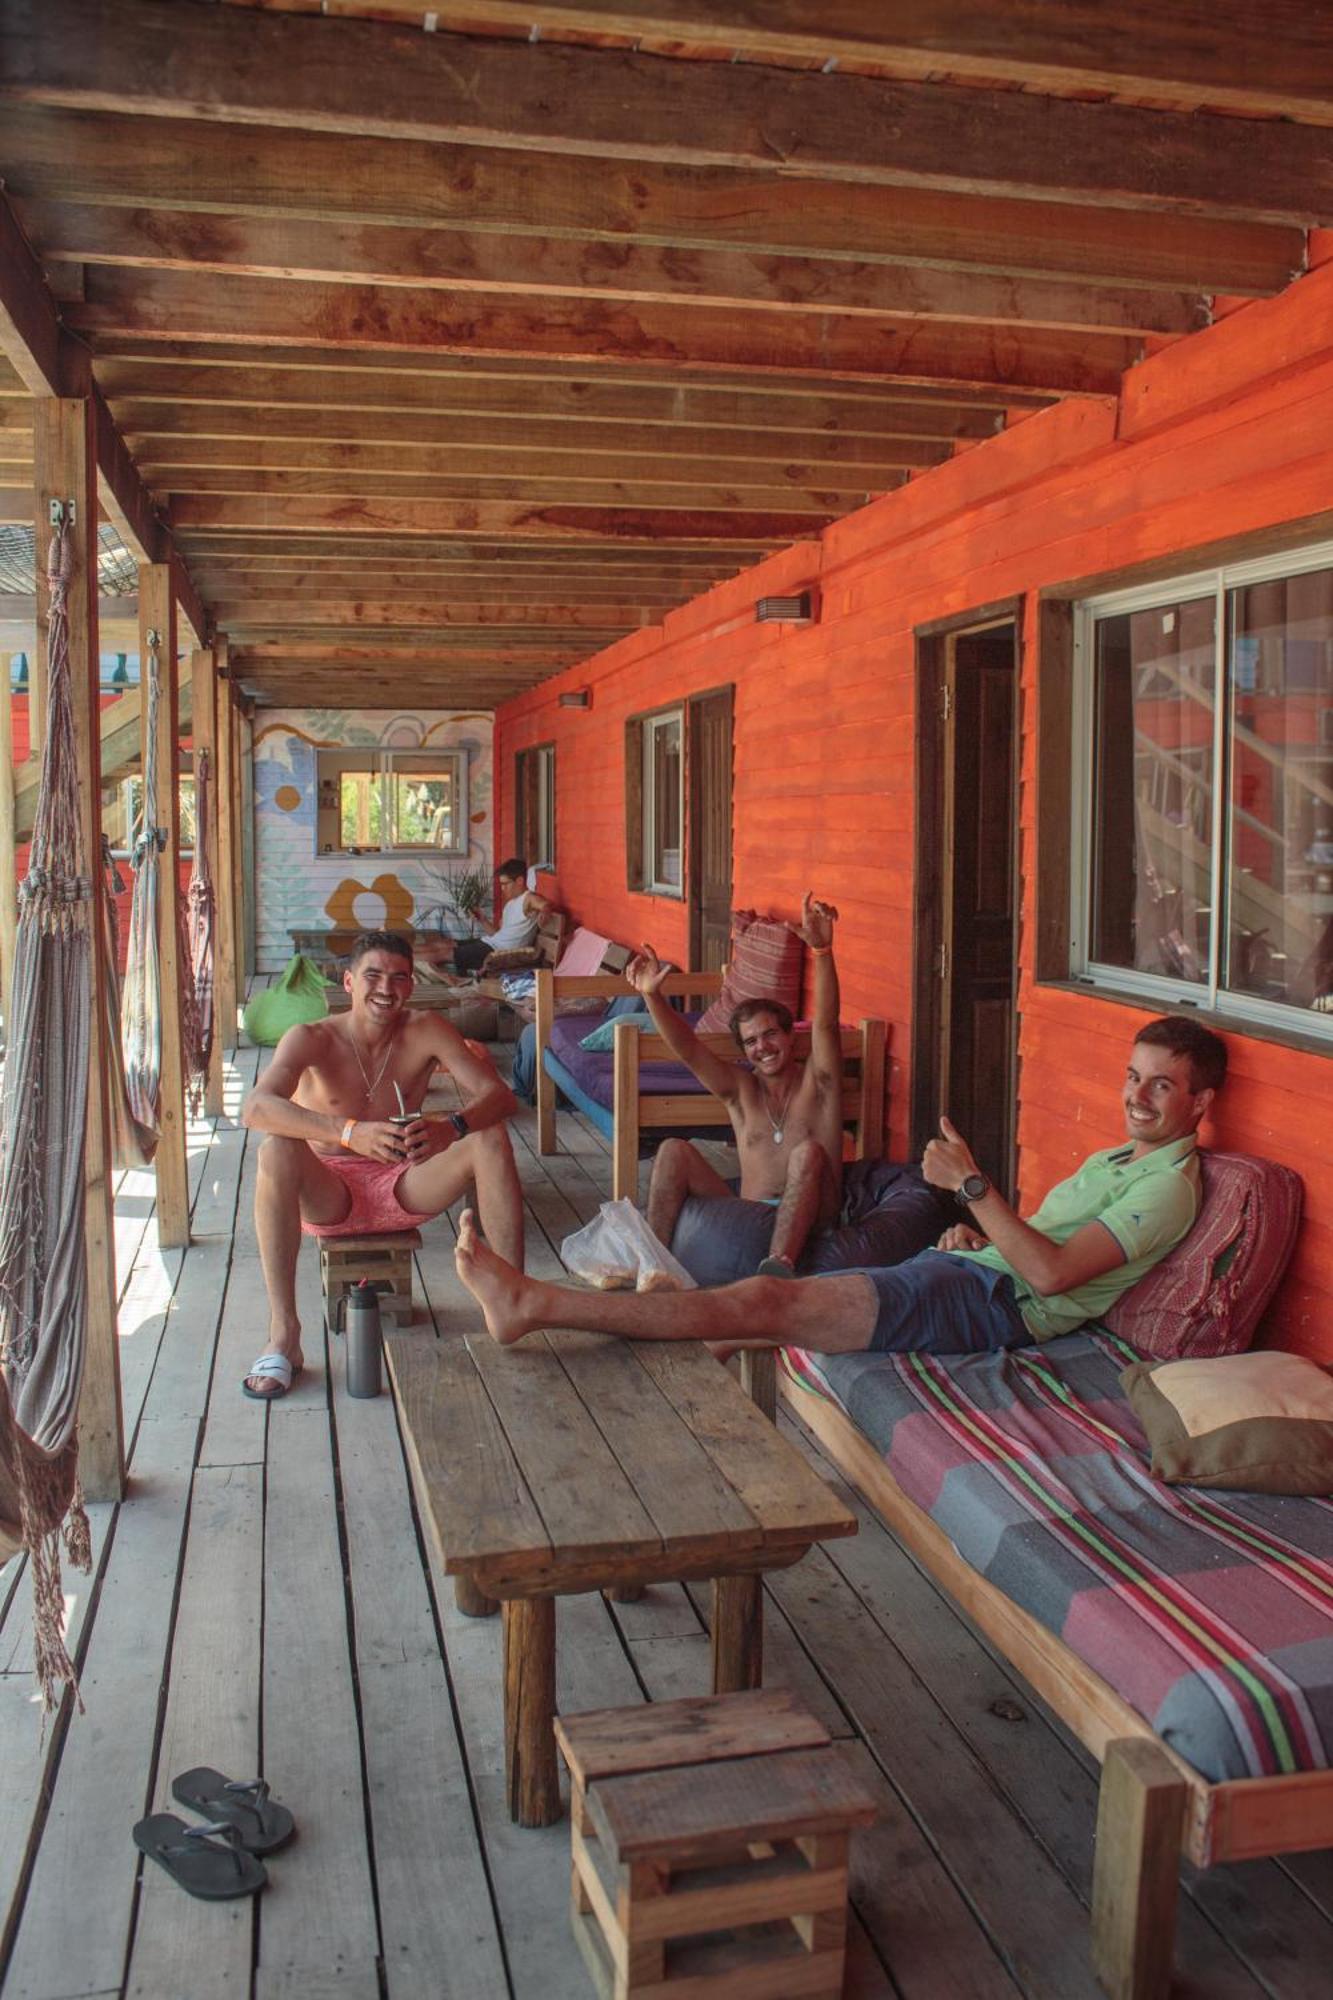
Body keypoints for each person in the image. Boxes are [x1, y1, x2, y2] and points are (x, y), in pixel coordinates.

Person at [452, 1015, 1226, 1359]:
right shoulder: (1120, 1160)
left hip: (996, 1306)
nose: (1136, 1096)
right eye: (1132, 1078)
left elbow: (1054, 1276)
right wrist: (978, 1232)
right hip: (973, 1272)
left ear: (1199, 1104)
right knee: (733, 1329)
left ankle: (534, 1303)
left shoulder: (1168, 1188)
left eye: (1161, 1088)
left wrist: (972, 1189)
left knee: (764, 1302)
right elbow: (1047, 1247)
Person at [240, 930, 524, 1399]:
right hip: (330, 1190)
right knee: (275, 1147)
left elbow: (500, 1097)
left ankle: (513, 1295)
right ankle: (284, 1334)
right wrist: (349, 1132)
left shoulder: (426, 1029)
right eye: (372, 976)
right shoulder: (311, 1037)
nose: (385, 989)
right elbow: (256, 1107)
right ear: (348, 982)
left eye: (399, 978)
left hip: (405, 1181)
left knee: (488, 1137)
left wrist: (450, 1127)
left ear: (412, 986)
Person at [631, 892, 844, 1276]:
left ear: (791, 1037)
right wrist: (652, 997)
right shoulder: (741, 1092)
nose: (762, 1047)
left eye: (770, 1035)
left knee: (807, 1153)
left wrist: (823, 952)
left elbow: (827, 1025)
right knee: (672, 1151)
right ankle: (654, 1264)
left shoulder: (819, 1084)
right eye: (750, 1041)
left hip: (816, 1217)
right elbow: (689, 1051)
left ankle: (776, 1270)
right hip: (750, 1218)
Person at [451, 858, 548, 975]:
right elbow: (498, 934)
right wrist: (483, 920)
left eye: (505, 884)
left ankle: (428, 968)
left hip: (499, 953)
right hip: (493, 944)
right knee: (449, 944)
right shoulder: (510, 904)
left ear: (520, 881)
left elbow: (545, 904)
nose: (502, 889)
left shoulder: (528, 898)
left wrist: (544, 913)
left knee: (446, 953)